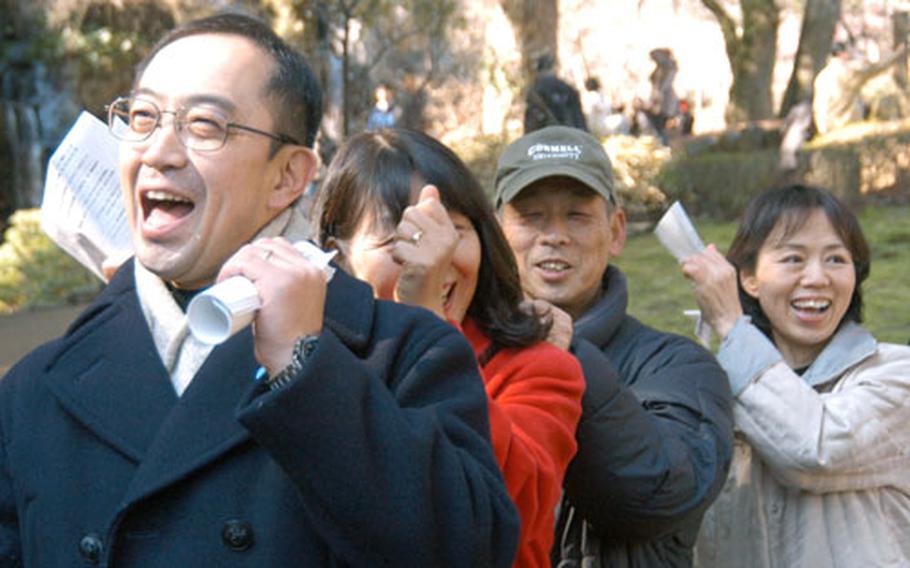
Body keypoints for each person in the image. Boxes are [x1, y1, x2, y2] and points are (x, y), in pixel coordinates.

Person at [0, 13, 520, 566]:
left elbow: (465, 550)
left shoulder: (405, 351)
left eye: (204, 125)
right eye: (144, 117)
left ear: (289, 177)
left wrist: (304, 366)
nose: (159, 152)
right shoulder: (35, 388)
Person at [313, 128, 586, 567]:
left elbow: (512, 515)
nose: (433, 257)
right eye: (402, 237)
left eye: (453, 231)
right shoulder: (310, 364)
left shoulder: (542, 368)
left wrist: (428, 329)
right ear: (338, 255)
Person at [494, 125, 734, 566]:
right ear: (495, 233)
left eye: (577, 216)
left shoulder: (678, 366)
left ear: (617, 230)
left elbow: (658, 497)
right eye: (531, 217)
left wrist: (565, 356)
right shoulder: (456, 350)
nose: (554, 236)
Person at [681, 184, 910, 567]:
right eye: (793, 259)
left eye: (836, 259)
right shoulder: (710, 390)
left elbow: (815, 449)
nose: (817, 277)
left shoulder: (895, 374)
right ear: (749, 279)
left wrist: (730, 323)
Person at [813, 41, 907, 136]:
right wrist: (897, 53)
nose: (850, 54)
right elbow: (877, 68)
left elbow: (819, 106)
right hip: (847, 125)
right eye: (848, 52)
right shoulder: (850, 72)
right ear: (842, 54)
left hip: (829, 127)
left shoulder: (821, 77)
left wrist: (822, 128)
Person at [524, 53, 588, 134]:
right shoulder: (567, 89)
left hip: (543, 138)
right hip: (570, 136)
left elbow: (531, 125)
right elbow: (578, 119)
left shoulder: (533, 91)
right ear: (553, 67)